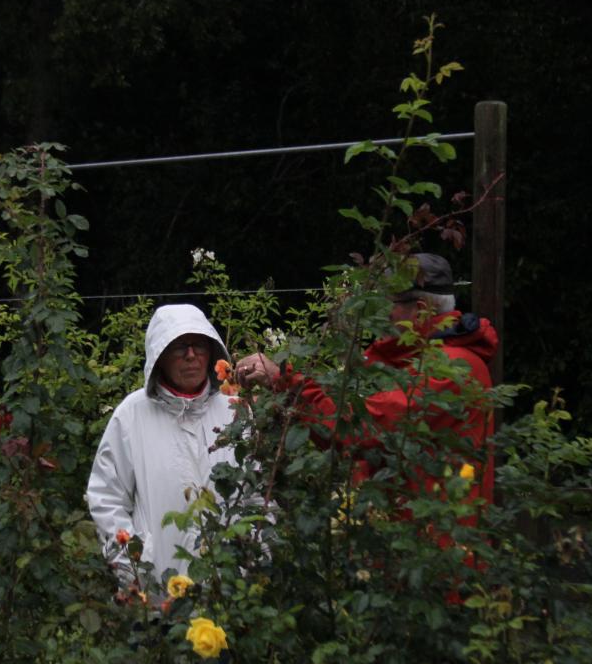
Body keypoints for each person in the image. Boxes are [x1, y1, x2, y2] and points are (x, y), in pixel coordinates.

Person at [234, 253, 498, 517]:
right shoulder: (414, 363)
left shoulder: (449, 369)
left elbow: (355, 430)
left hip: (434, 546)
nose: (379, 315)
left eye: (388, 304)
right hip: (408, 537)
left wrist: (283, 379)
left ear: (419, 309)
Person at [86, 304, 237, 591]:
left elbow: (257, 497)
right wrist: (132, 568)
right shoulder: (132, 414)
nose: (191, 355)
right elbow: (107, 496)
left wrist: (253, 559)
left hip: (232, 590)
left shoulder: (235, 413)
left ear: (212, 351)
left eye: (198, 345)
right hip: (157, 589)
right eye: (179, 346)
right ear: (160, 355)